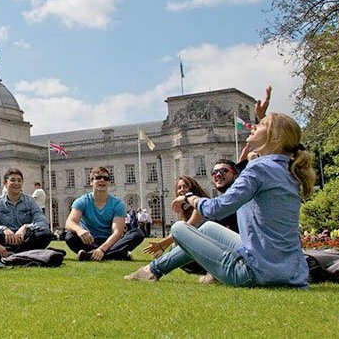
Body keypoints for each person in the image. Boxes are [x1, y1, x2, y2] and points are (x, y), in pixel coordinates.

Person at [126, 113, 315, 288]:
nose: (255, 126)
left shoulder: (259, 168)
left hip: (255, 273)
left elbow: (217, 209)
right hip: (293, 274)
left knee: (178, 229)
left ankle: (154, 270)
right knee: (208, 228)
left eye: (262, 124)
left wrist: (189, 197)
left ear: (276, 138)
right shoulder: (287, 170)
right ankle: (152, 270)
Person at [63, 166, 144, 261]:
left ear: (109, 182)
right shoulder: (82, 201)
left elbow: (117, 233)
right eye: (98, 178)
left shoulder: (117, 204)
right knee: (70, 236)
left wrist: (102, 249)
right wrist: (79, 230)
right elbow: (69, 223)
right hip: (89, 240)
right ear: (91, 182)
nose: (102, 180)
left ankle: (89, 255)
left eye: (106, 178)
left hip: (110, 241)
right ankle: (118, 254)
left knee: (138, 234)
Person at [0, 169, 53, 253]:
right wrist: (4, 229)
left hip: (25, 238)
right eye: (12, 180)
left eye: (19, 181)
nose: (16, 183)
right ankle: (25, 252)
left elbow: (42, 222)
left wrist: (26, 227)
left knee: (46, 233)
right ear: (5, 183)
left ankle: (12, 251)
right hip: (5, 238)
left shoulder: (30, 201)